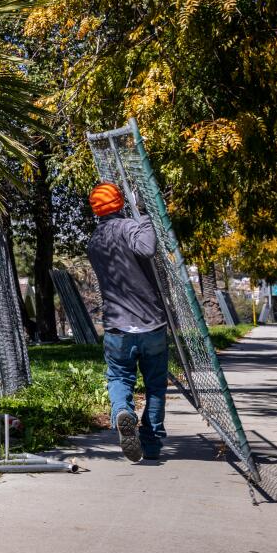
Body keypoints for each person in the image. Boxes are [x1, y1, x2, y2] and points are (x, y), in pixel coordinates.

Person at [86, 182, 169, 463]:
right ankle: (152, 443)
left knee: (119, 377)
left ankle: (123, 411)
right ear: (120, 203)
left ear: (95, 209)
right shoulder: (129, 226)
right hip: (150, 323)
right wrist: (144, 216)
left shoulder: (94, 242)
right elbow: (146, 249)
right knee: (155, 385)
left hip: (117, 327)